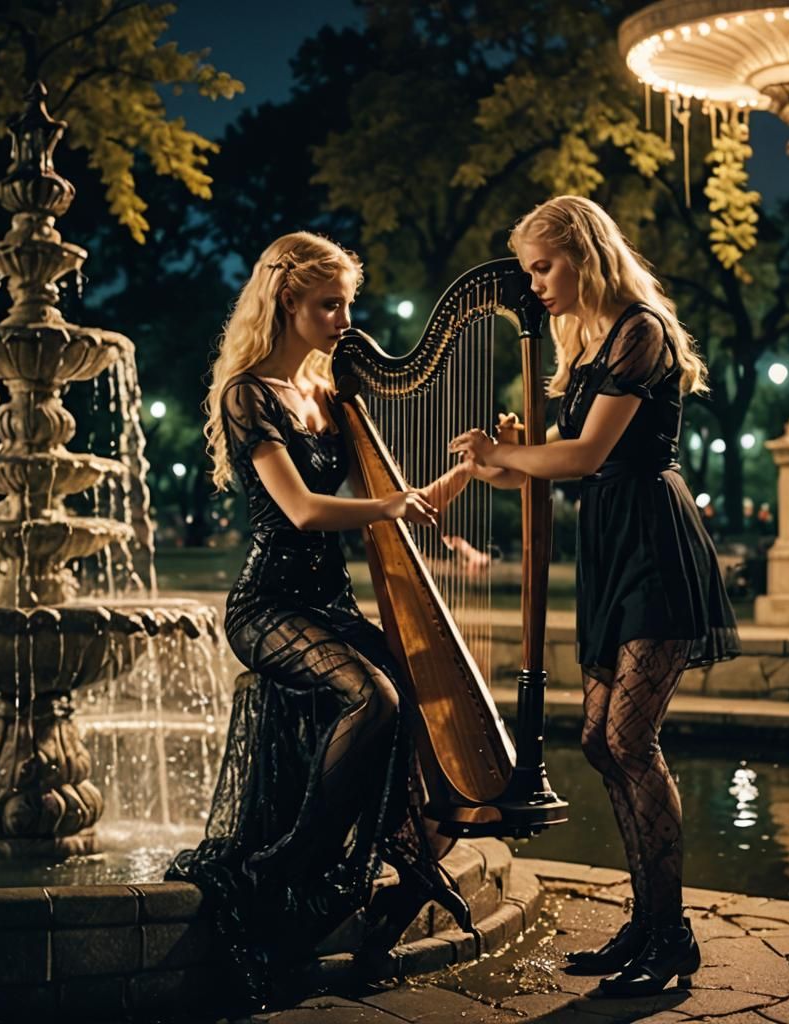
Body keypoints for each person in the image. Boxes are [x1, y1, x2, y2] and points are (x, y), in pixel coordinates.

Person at [167, 232, 472, 1008]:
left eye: (348, 302)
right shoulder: (250, 395)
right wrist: (390, 504)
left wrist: (465, 474)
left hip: (327, 606)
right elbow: (301, 511)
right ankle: (290, 865)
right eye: (329, 303)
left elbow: (400, 500)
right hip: (268, 605)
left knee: (420, 702)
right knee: (375, 698)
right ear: (287, 303)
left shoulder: (331, 392)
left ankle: (396, 862)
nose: (345, 318)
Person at [450, 196, 741, 998]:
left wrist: (518, 453)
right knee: (599, 739)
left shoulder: (640, 330)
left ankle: (670, 932)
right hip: (612, 547)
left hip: (654, 543)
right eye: (530, 270)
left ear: (583, 251)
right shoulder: (588, 345)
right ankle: (646, 924)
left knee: (629, 737)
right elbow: (549, 466)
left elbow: (582, 456)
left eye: (544, 266)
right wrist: (488, 463)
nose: (535, 283)